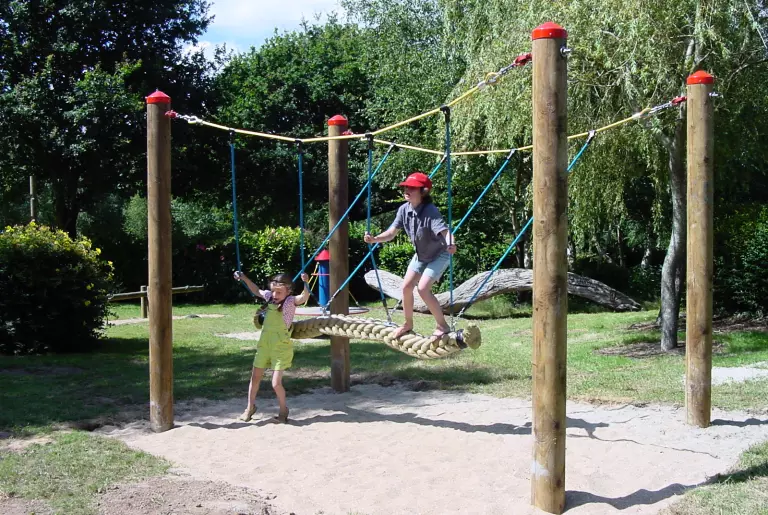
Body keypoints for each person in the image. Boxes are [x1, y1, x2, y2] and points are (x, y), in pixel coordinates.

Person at [364, 171, 457, 341]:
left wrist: (451, 244)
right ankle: (408, 324)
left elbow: (446, 233)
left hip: (440, 254)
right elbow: (391, 233)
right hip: (421, 255)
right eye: (406, 187)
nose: (407, 190)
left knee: (422, 288)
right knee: (406, 287)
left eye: (412, 188)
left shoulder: (430, 211)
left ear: (423, 191)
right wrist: (375, 239)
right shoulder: (403, 210)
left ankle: (442, 326)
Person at [233, 270, 310, 423]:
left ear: (288, 291)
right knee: (255, 378)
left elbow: (303, 297)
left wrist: (306, 282)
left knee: (276, 383)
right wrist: (244, 278)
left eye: (279, 292)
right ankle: (249, 408)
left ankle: (283, 410)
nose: (275, 295)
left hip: (280, 347)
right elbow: (256, 290)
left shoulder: (290, 302)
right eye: (273, 291)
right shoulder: (269, 298)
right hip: (265, 344)